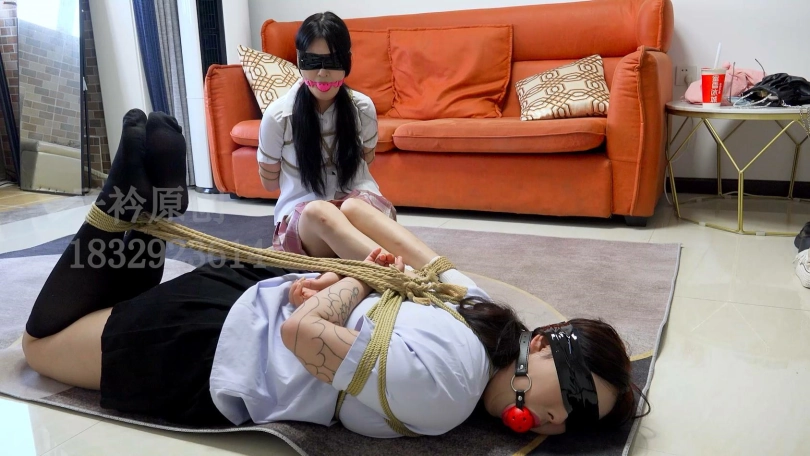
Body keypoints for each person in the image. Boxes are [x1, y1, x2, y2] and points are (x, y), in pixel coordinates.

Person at [22, 109, 648, 439]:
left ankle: (142, 211)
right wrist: (362, 280)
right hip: (219, 351)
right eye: (574, 395)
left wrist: (362, 272)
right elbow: (302, 334)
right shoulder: (447, 394)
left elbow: (348, 213)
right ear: (545, 344)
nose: (559, 421)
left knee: (102, 320)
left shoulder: (478, 305)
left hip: (250, 288)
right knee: (42, 347)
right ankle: (124, 211)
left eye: (578, 422)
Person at [257, 12, 394, 259]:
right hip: (307, 223)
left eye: (332, 62)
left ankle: (443, 272)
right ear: (299, 59)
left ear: (347, 61)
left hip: (359, 211)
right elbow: (269, 184)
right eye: (312, 62)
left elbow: (365, 162)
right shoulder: (278, 116)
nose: (322, 73)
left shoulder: (363, 108)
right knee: (318, 211)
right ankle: (397, 268)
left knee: (353, 207)